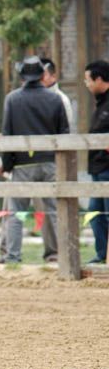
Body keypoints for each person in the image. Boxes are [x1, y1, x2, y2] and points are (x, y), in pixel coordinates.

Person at [0, 57, 70, 263]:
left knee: (16, 213)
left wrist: (7, 164)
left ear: (22, 76)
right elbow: (64, 132)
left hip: (22, 163)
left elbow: (7, 133)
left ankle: (13, 256)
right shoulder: (55, 99)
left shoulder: (12, 99)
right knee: (54, 211)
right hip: (50, 162)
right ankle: (60, 255)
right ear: (41, 75)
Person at [83, 60, 109, 264]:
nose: (86, 84)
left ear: (99, 79)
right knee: (94, 211)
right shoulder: (100, 103)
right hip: (98, 168)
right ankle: (102, 254)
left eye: (88, 79)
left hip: (107, 168)